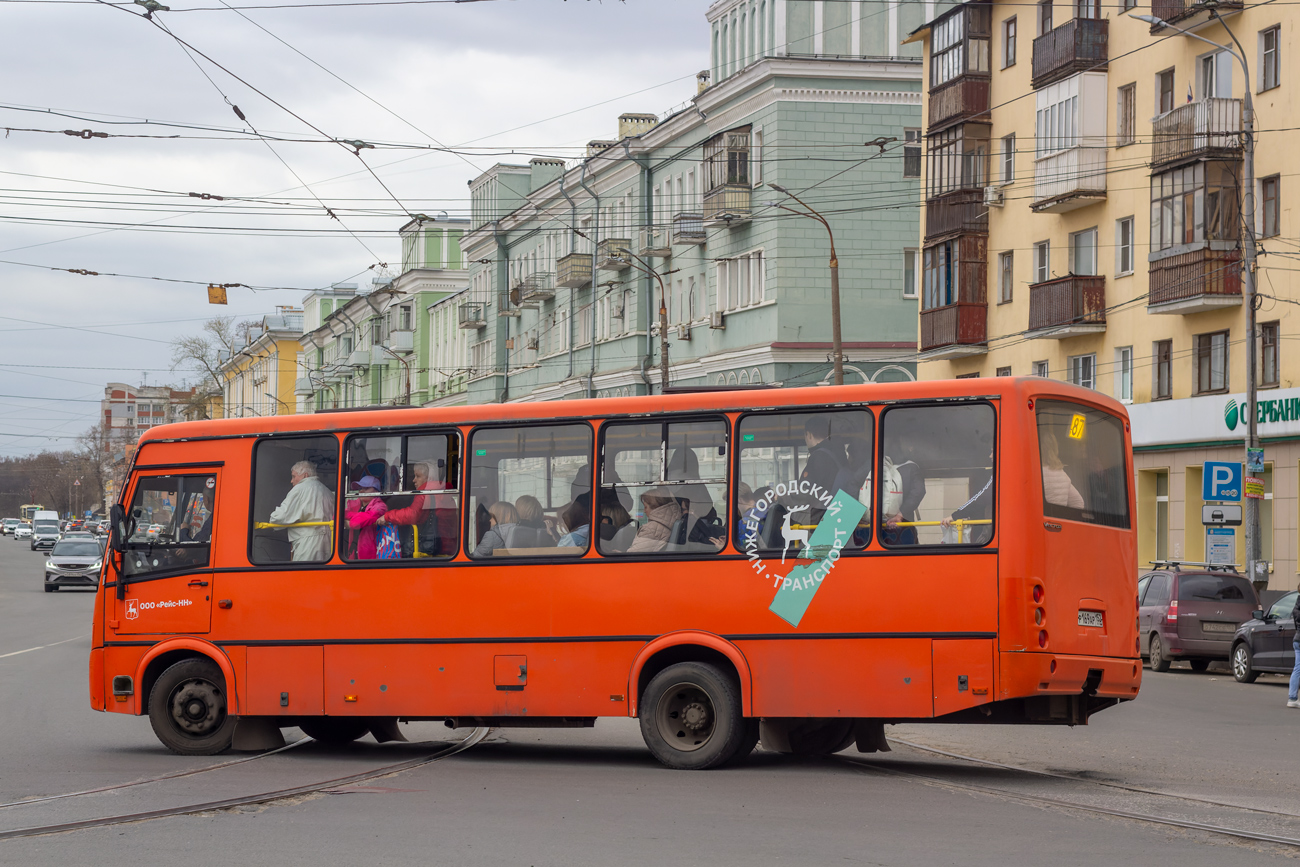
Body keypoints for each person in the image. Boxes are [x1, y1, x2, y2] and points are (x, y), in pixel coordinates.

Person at [378, 461, 456, 557]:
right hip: (450, 548)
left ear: (430, 478)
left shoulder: (424, 494)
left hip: (428, 548)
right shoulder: (447, 495)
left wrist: (387, 516)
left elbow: (413, 515)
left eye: (418, 476)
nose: (414, 480)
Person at [269, 460, 335, 561]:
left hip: (308, 542)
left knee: (304, 574)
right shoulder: (327, 491)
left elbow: (281, 516)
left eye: (294, 476)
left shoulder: (301, 488)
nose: (292, 481)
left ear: (305, 475)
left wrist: (272, 519)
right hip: (329, 542)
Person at [941, 439, 994, 545]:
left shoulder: (999, 474)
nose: (990, 456)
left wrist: (955, 516)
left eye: (993, 452)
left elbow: (980, 498)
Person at [800, 416, 847, 519]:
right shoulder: (839, 454)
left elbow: (808, 491)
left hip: (823, 517)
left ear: (809, 435)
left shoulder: (818, 456)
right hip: (839, 513)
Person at [344, 475, 388, 560]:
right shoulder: (354, 505)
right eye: (360, 488)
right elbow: (336, 516)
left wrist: (348, 521)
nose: (361, 491)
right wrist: (354, 517)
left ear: (376, 491)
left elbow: (357, 522)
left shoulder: (380, 506)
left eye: (366, 488)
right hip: (353, 554)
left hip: (371, 557)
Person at [628, 489, 683, 553]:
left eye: (645, 507)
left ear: (655, 508)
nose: (644, 511)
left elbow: (633, 556)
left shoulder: (651, 529)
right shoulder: (669, 522)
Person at [1040, 433, 1085, 510]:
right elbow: (1078, 503)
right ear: (1055, 449)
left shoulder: (1035, 473)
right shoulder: (1062, 474)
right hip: (1057, 521)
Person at [1289, 585, 1300, 709]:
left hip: (1297, 639)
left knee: (1297, 668)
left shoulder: (1297, 605)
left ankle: (1292, 697)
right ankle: (1292, 698)